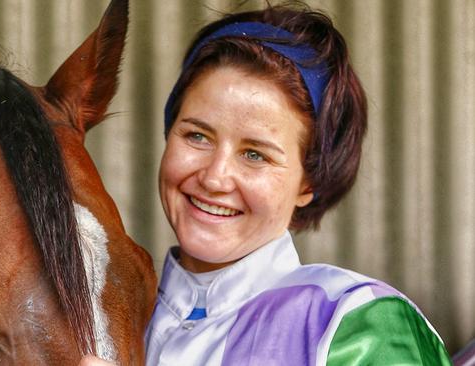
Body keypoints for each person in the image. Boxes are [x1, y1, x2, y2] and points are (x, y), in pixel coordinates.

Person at [83, 2, 452, 365]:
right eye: (197, 136)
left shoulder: (357, 324)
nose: (214, 177)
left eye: (255, 154)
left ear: (309, 182)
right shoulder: (102, 317)